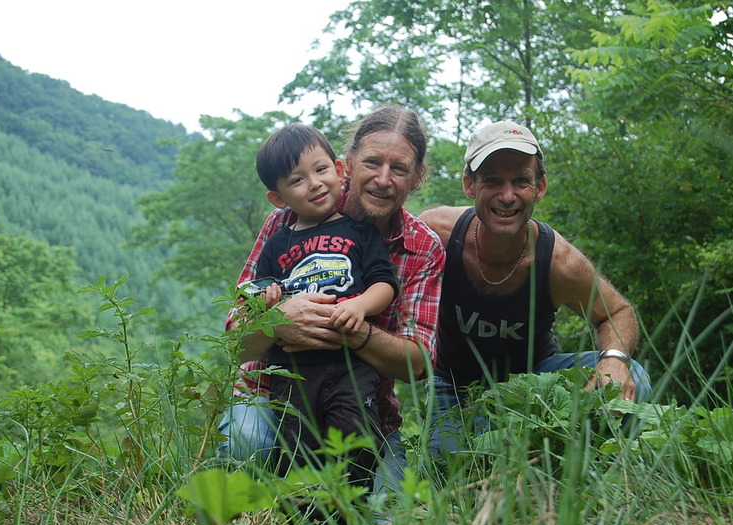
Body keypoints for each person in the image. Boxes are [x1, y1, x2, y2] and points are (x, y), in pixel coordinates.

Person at [220, 105, 445, 495]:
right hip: (275, 394)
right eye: (372, 162)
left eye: (400, 169)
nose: (383, 179)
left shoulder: (422, 248)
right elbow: (236, 342)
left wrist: (352, 330)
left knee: (382, 513)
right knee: (251, 445)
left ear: (418, 177)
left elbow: (418, 364)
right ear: (348, 164)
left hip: (362, 405)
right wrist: (276, 319)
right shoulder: (292, 217)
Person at [418, 120, 652, 456]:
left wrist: (614, 359)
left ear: (540, 187)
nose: (507, 195)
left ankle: (594, 468)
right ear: (470, 185)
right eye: (493, 180)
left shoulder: (558, 262)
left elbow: (617, 310)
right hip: (454, 385)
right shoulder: (438, 235)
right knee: (452, 472)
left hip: (536, 380)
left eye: (521, 181)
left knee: (634, 378)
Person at [242, 123, 400, 489]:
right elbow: (258, 287)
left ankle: (352, 511)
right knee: (297, 443)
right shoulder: (277, 241)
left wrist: (360, 306)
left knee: (355, 432)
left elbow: (384, 284)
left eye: (320, 169)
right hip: (293, 371)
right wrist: (267, 301)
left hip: (350, 368)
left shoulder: (361, 233)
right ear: (278, 198)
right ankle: (306, 524)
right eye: (297, 180)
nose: (313, 183)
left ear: (339, 170)